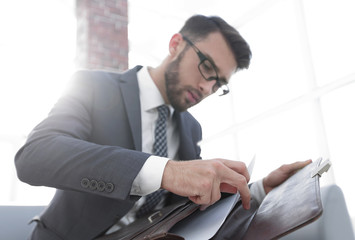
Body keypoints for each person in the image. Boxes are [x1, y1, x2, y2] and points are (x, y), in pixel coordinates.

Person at [15, 14, 311, 239]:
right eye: (207, 68)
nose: (207, 88)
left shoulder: (190, 128)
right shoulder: (93, 86)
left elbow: (188, 203)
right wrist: (166, 171)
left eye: (218, 83)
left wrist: (257, 191)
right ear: (175, 45)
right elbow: (34, 156)